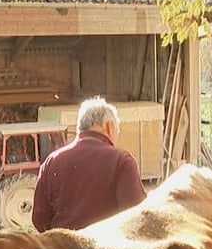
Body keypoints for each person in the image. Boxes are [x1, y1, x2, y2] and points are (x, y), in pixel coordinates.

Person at [32, 97, 145, 231]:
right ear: (109, 126)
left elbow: (39, 220)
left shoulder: (51, 162)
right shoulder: (121, 161)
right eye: (117, 130)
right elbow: (136, 217)